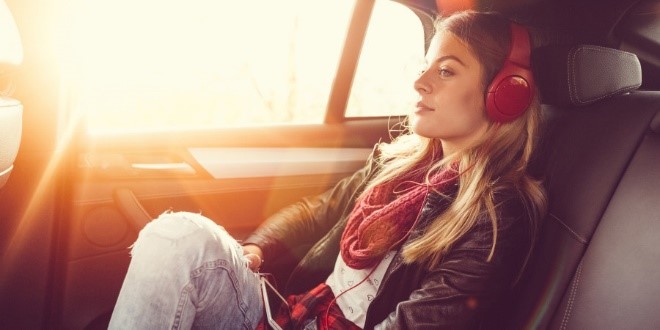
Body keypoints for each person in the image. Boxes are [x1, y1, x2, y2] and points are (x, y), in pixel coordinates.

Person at [108, 10, 547, 329]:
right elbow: (317, 212)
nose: (420, 82)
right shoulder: (399, 164)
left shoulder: (497, 214)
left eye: (446, 71)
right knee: (177, 235)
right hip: (295, 314)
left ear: (504, 94)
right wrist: (257, 247)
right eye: (424, 66)